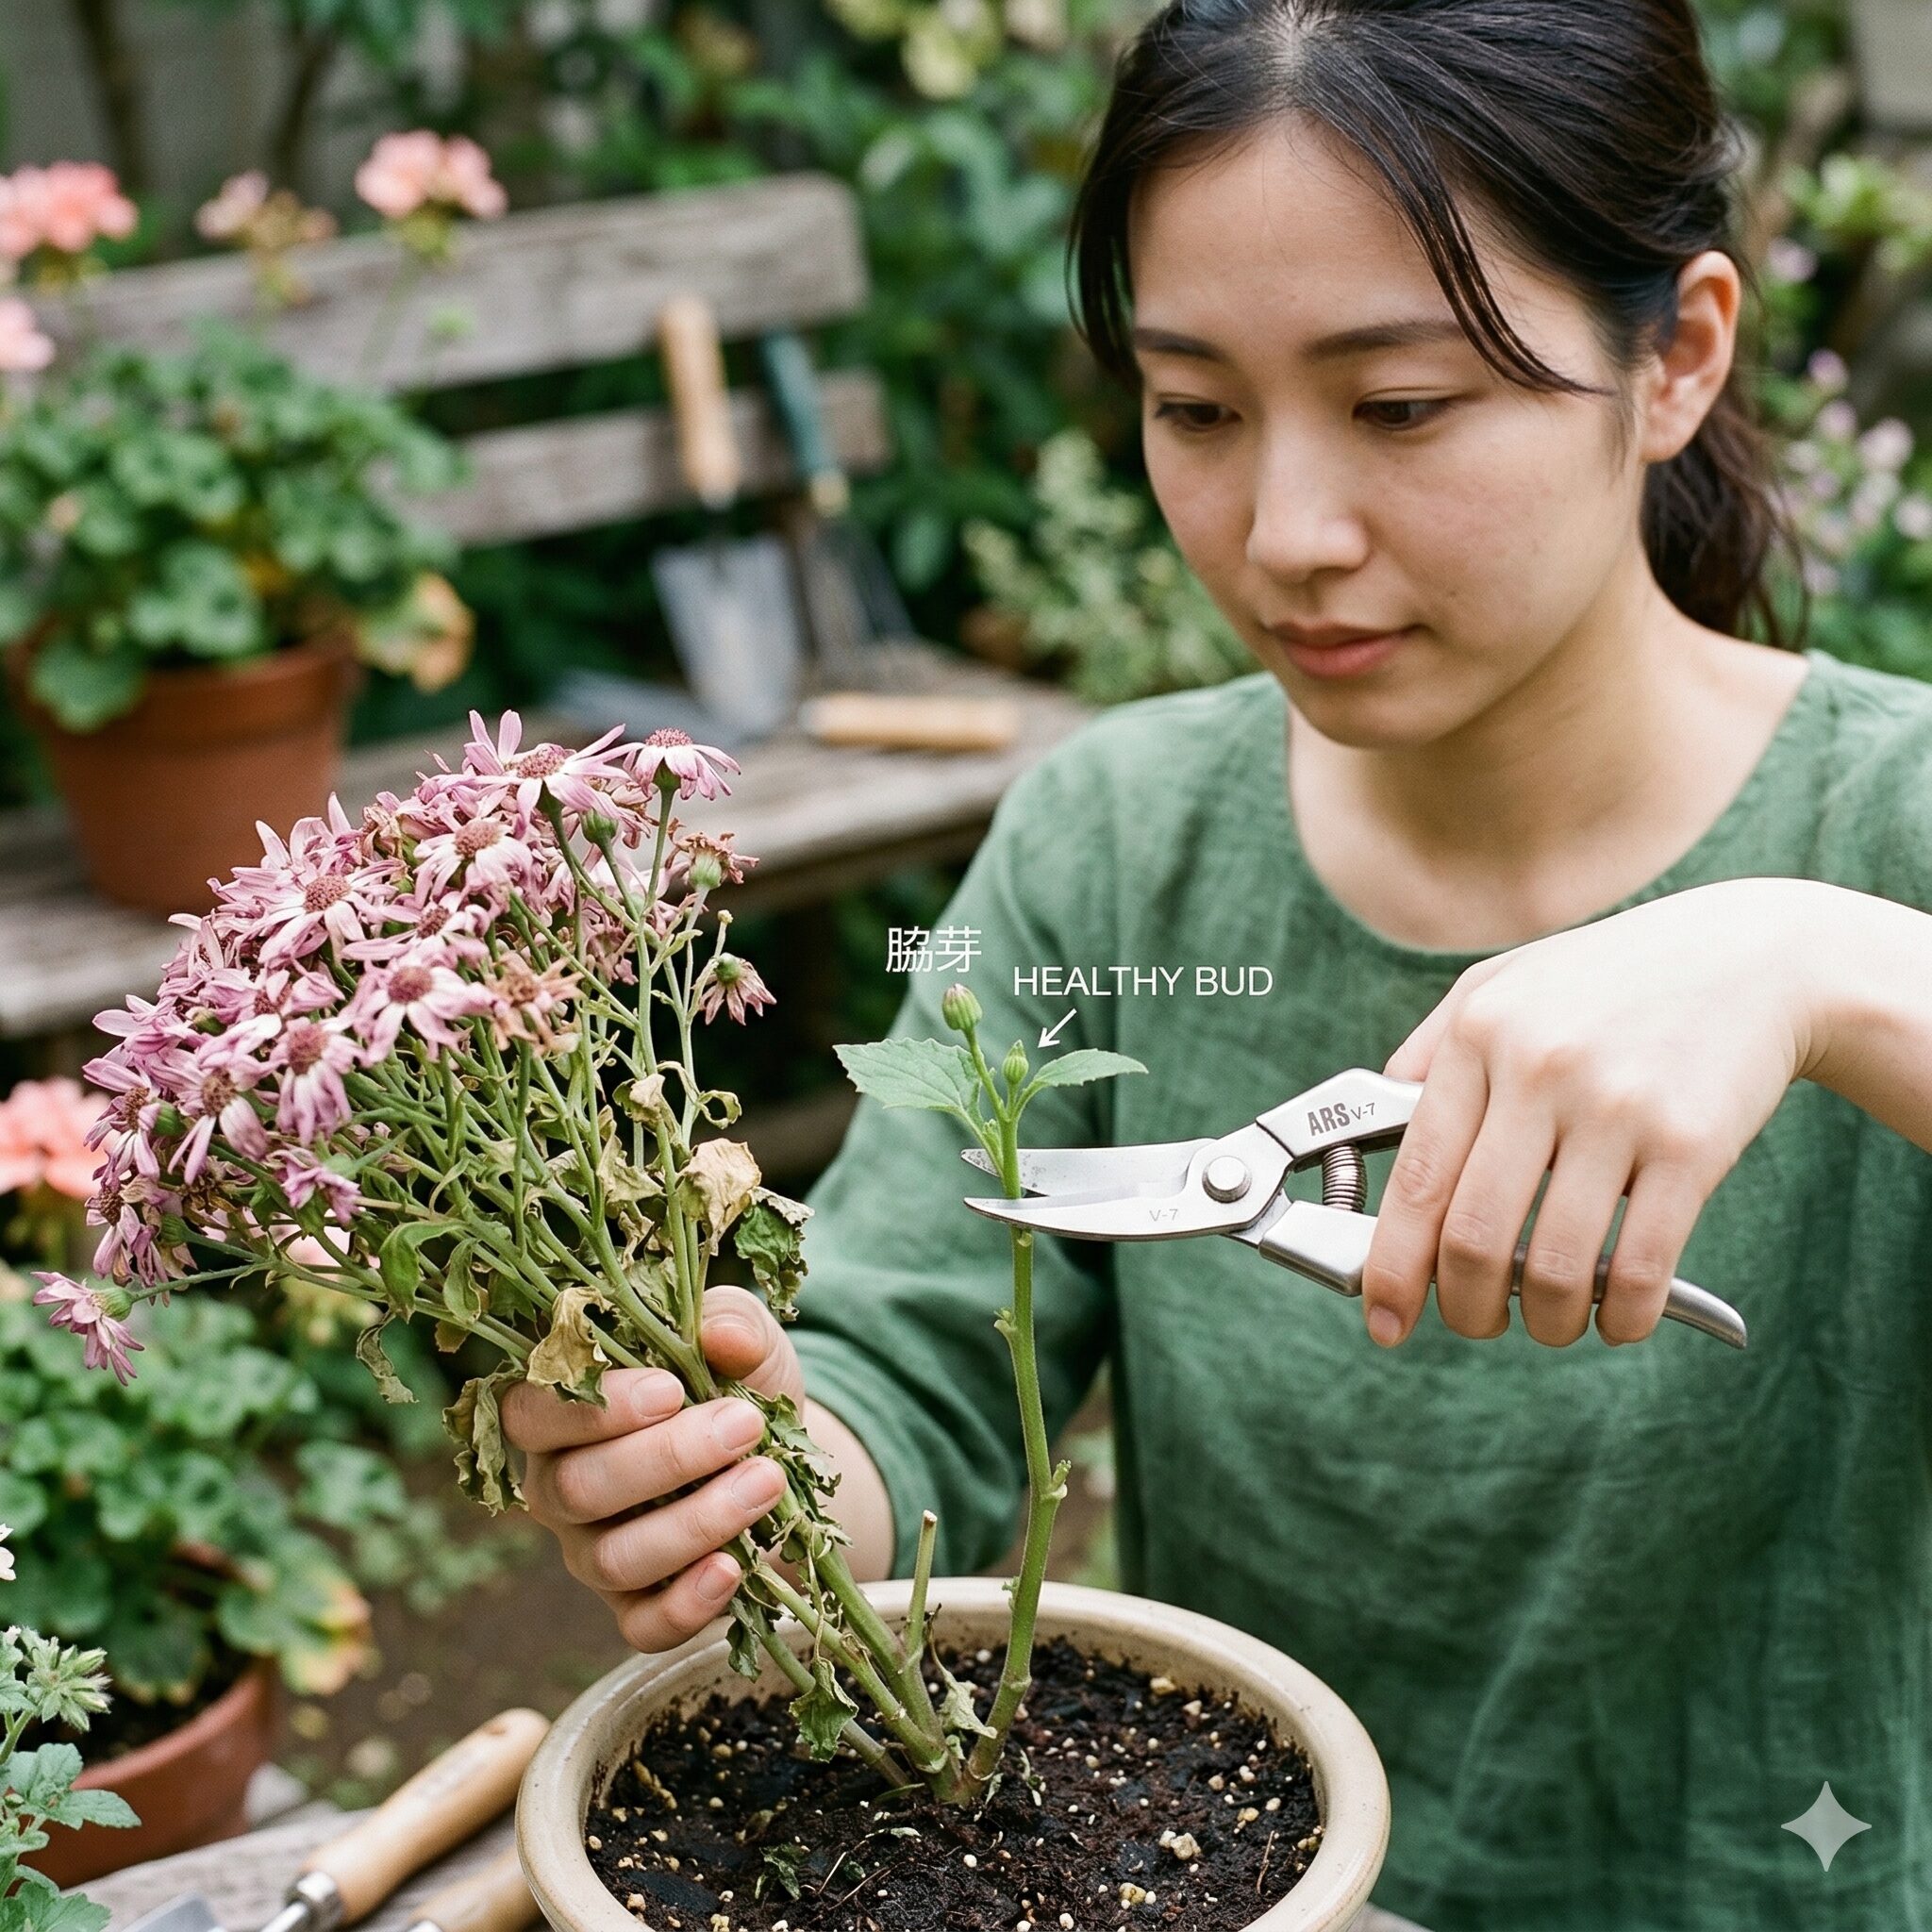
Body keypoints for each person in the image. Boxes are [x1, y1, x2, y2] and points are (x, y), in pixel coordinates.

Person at [503, 2, 1932, 1924]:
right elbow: (895, 1386)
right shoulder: (1113, 842)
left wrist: (1820, 968)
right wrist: (716, 1469)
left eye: (1402, 404)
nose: (1284, 535)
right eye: (1192, 408)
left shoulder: (1884, 827)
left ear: (1672, 354)